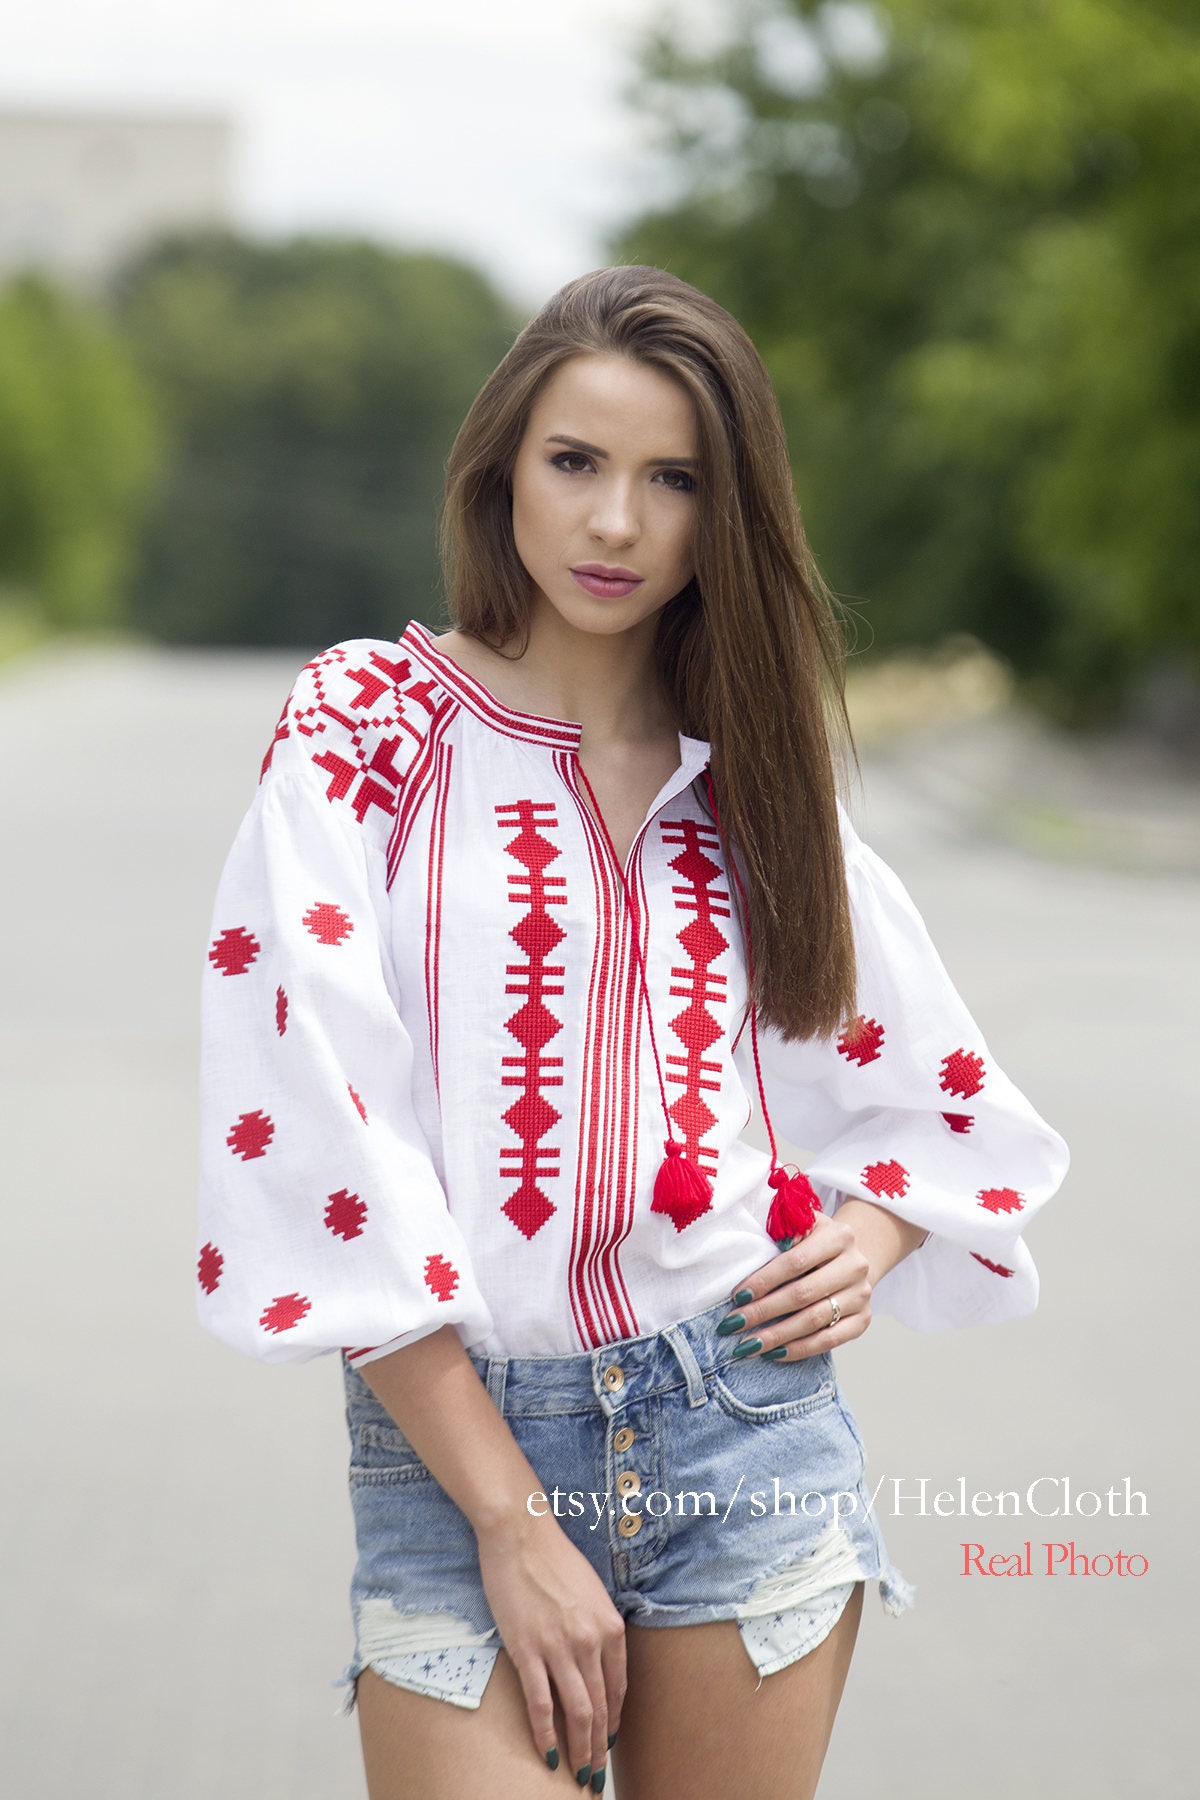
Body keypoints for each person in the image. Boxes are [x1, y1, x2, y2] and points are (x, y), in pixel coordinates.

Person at [195, 264, 1069, 1800]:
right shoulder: (365, 731)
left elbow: (936, 1095)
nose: (616, 524)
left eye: (673, 481)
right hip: (454, 1445)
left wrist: (864, 1244)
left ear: (724, 514)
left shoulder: (754, 779)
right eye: (575, 463)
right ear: (502, 471)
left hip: (740, 1429)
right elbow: (320, 1124)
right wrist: (510, 1523)